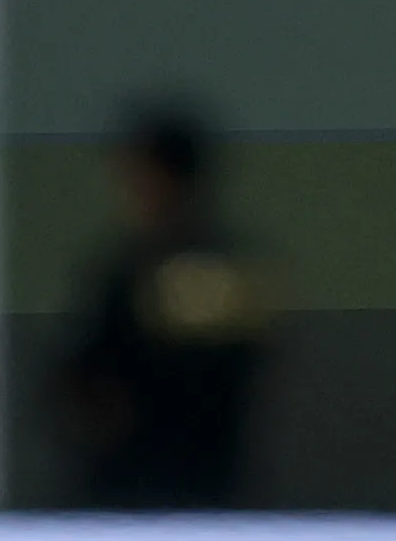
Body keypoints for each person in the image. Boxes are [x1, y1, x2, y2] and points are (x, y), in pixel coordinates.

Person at [63, 108, 270, 509]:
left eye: (139, 176)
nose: (130, 191)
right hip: (141, 478)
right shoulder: (126, 268)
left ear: (168, 178)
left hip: (177, 476)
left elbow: (217, 377)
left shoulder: (195, 273)